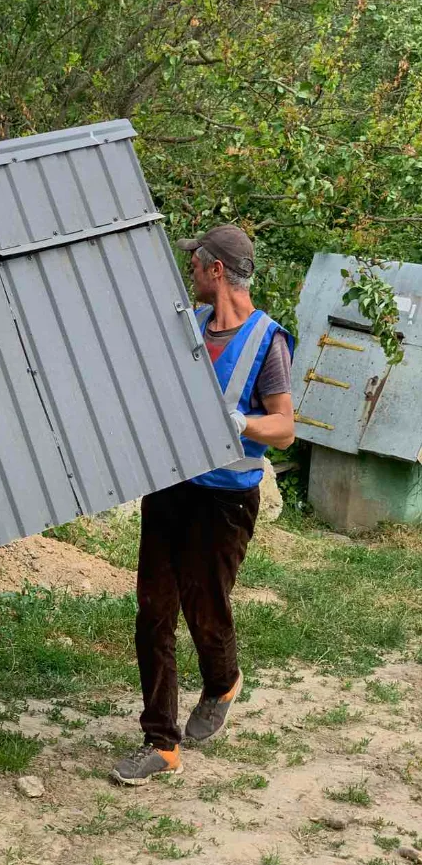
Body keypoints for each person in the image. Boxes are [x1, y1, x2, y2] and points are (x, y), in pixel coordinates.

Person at [111, 224, 294, 786]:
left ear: (217, 270)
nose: (189, 270)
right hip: (170, 486)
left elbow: (285, 428)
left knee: (204, 611)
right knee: (154, 611)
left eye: (197, 263)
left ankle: (222, 683)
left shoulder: (268, 342)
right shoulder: (187, 328)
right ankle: (160, 742)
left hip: (226, 501)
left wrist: (242, 422)